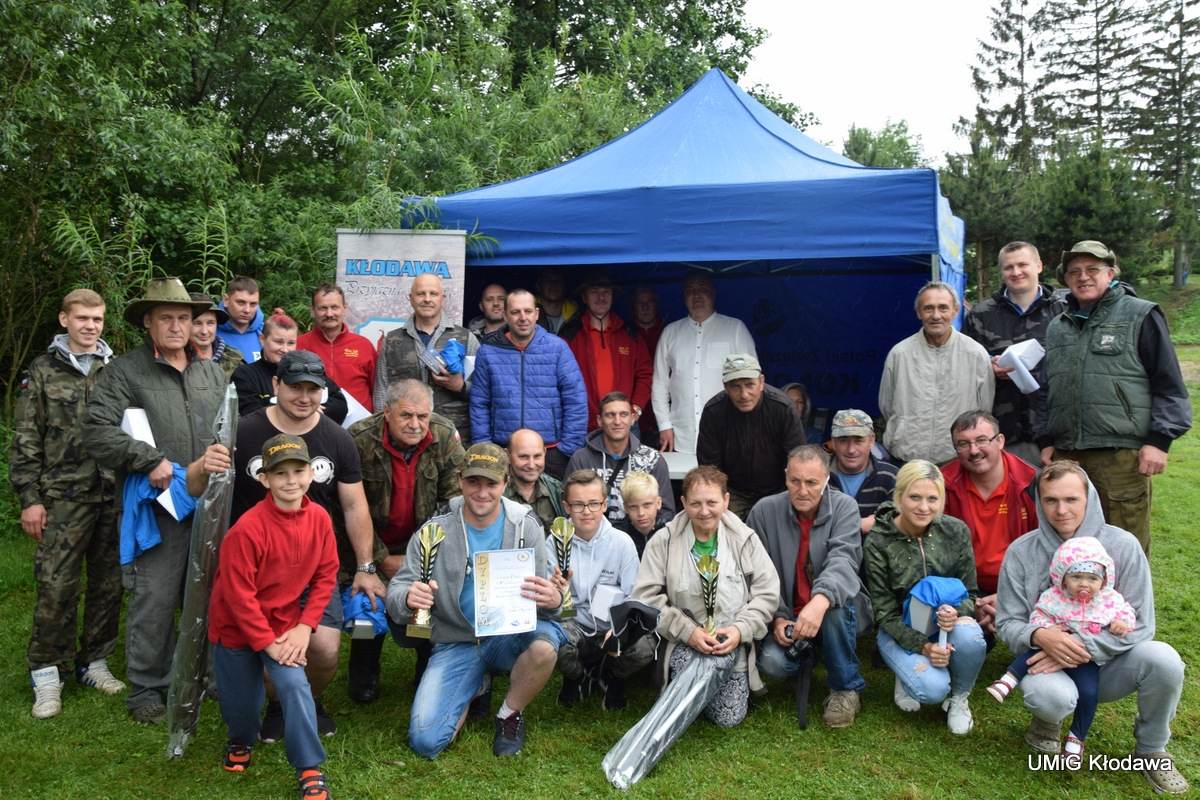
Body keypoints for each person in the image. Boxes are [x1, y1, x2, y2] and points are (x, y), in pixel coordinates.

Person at [82, 277, 231, 723]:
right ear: (148, 322)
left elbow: (227, 429)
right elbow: (96, 429)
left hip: (209, 504)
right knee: (157, 597)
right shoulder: (126, 372)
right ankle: (148, 687)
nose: (176, 325)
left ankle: (206, 677)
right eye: (165, 317)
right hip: (159, 504)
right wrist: (148, 459)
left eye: (183, 318)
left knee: (210, 593)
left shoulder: (211, 372)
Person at [995, 461, 1188, 793]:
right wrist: (1039, 635)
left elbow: (1142, 624)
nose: (1061, 510)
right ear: (1038, 501)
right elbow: (1006, 622)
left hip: (1110, 664)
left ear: (1090, 498)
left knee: (1165, 660)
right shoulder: (1021, 551)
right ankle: (1046, 723)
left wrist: (1076, 647)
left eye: (1071, 499)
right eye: (1050, 500)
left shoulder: (1124, 546)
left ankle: (1152, 750)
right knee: (1050, 696)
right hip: (1048, 665)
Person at [224, 349, 383, 739]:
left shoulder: (337, 438)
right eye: (295, 387)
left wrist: (365, 567)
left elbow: (353, 504)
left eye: (314, 389)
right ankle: (279, 706)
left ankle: (308, 699)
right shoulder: (243, 432)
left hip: (316, 567)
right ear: (276, 385)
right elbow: (205, 492)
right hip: (258, 567)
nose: (304, 396)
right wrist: (201, 466)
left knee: (326, 650)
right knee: (269, 650)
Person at [386, 444, 567, 758]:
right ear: (460, 480)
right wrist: (407, 597)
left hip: (510, 635)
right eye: (473, 482)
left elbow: (549, 595)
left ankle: (509, 713)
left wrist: (554, 599)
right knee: (426, 742)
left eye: (491, 483)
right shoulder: (433, 531)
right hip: (457, 640)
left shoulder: (527, 525)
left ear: (505, 482)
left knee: (544, 647)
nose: (482, 491)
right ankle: (475, 683)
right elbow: (397, 591)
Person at [1037, 240, 1191, 553]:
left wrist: (1159, 441)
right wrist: (1046, 439)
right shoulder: (1057, 327)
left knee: (1123, 546)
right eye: (1074, 271)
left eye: (1093, 269)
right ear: (1065, 280)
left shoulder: (1140, 315)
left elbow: (1168, 383)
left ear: (1111, 273)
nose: (1083, 277)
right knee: (1070, 547)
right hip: (1068, 455)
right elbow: (1046, 388)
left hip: (1120, 456)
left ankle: (1129, 604)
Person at [12, 289, 124, 719]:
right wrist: (29, 499)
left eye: (97, 319)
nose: (90, 326)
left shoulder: (115, 370)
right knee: (56, 586)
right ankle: (46, 673)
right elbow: (26, 438)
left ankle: (93, 661)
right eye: (82, 318)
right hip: (61, 496)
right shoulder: (42, 371)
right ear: (64, 319)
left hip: (110, 493)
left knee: (108, 584)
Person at [208, 434, 337, 800]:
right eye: (280, 474)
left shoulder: (319, 519)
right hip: (235, 627)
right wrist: (265, 643)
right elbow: (238, 595)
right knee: (242, 706)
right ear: (264, 479)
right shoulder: (247, 529)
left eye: (299, 471)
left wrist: (304, 626)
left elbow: (326, 575)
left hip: (284, 624)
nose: (291, 481)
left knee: (296, 687)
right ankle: (240, 739)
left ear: (312, 474)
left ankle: (309, 765)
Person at [632, 465, 779, 728]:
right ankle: (685, 693)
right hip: (683, 642)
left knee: (728, 718)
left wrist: (739, 630)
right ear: (683, 503)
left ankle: (689, 698)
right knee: (694, 688)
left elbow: (767, 594)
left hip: (732, 641)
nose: (704, 511)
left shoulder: (746, 539)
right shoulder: (663, 541)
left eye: (712, 502)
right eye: (695, 503)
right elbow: (646, 597)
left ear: (726, 501)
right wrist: (688, 632)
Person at [347, 379, 465, 702]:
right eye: (406, 416)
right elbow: (347, 507)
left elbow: (454, 503)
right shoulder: (358, 439)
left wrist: (419, 556)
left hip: (425, 547)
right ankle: (364, 669)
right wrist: (378, 559)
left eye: (422, 417)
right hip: (371, 548)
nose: (415, 425)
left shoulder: (444, 436)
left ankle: (426, 669)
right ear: (387, 412)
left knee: (429, 599)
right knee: (365, 603)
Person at [863, 460, 986, 735]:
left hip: (947, 622)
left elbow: (972, 594)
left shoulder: (955, 531)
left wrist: (957, 612)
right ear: (899, 497)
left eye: (933, 499)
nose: (923, 507)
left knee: (972, 637)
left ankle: (959, 699)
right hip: (900, 629)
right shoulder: (878, 541)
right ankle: (907, 676)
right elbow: (884, 613)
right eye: (914, 497)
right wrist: (923, 646)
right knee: (931, 690)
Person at [751, 446, 867, 729]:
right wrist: (777, 615)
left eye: (812, 482)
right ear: (786, 478)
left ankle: (844, 689)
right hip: (787, 612)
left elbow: (844, 560)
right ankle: (808, 656)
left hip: (834, 608)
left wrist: (820, 601)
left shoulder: (845, 507)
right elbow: (756, 573)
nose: (802, 490)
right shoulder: (763, 511)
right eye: (795, 481)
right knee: (774, 664)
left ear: (826, 479)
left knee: (835, 609)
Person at [988, 536, 1136, 757]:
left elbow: (1127, 613)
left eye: (1092, 578)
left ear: (1104, 580)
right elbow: (1039, 615)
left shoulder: (1110, 600)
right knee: (1030, 654)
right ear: (1063, 578)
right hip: (1051, 646)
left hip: (1085, 658)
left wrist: (1121, 624)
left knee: (1089, 692)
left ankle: (1077, 738)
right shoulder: (1054, 597)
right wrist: (1047, 631)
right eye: (1076, 577)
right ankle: (1007, 681)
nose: (1084, 584)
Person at [551, 470, 651, 711]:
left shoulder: (621, 542)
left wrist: (620, 629)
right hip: (573, 621)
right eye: (578, 504)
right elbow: (552, 605)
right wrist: (559, 593)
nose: (586, 511)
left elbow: (633, 595)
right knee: (554, 642)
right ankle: (577, 676)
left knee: (645, 647)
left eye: (594, 503)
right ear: (566, 506)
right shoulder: (554, 542)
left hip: (611, 623)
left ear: (605, 505)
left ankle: (612, 675)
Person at [962, 242, 1066, 464]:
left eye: (1022, 264)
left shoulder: (1064, 312)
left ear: (1039, 266)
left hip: (1056, 431)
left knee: (1056, 497)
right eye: (1009, 267)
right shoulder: (981, 315)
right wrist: (988, 367)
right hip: (1001, 433)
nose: (1016, 272)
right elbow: (965, 368)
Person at [469, 288, 588, 479]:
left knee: (551, 507)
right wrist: (485, 447)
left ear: (537, 314)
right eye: (515, 312)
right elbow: (479, 403)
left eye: (528, 311)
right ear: (506, 315)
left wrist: (567, 448)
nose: (522, 317)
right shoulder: (488, 351)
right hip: (503, 452)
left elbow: (576, 399)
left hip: (550, 452)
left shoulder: (557, 347)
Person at [940, 410, 1036, 635]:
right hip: (963, 588)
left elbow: (1046, 553)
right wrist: (973, 602)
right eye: (963, 444)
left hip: (1022, 587)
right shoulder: (942, 485)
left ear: (1000, 441)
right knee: (966, 643)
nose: (974, 451)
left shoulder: (1031, 482)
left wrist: (1007, 598)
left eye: (982, 440)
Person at [879, 281, 994, 465]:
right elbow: (887, 406)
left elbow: (984, 409)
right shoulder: (900, 354)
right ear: (918, 312)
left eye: (943, 308)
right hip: (905, 459)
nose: (936, 315)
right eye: (928, 308)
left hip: (957, 460)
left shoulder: (975, 354)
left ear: (955, 311)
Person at [652, 274, 756, 454]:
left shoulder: (735, 328)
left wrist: (745, 424)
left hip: (727, 431)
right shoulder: (671, 332)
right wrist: (664, 425)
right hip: (680, 434)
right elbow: (660, 383)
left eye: (703, 290)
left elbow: (751, 380)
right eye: (691, 291)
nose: (697, 296)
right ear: (684, 298)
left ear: (713, 294)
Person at [696, 354, 806, 518]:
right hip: (732, 491)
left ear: (761, 382)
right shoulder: (714, 411)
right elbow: (709, 468)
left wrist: (786, 496)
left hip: (777, 490)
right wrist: (720, 500)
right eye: (735, 387)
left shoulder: (782, 408)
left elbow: (798, 459)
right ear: (725, 386)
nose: (744, 394)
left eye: (750, 385)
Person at [372, 273, 479, 439]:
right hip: (404, 437)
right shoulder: (392, 341)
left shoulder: (466, 338)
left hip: (452, 438)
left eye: (433, 294)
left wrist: (460, 386)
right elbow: (381, 393)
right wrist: (383, 433)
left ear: (442, 298)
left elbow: (483, 393)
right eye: (421, 293)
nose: (427, 299)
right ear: (411, 298)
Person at [565, 392, 674, 525]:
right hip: (594, 537)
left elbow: (666, 512)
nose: (617, 421)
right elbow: (569, 509)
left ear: (633, 418)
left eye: (623, 414)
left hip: (639, 539)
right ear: (599, 420)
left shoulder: (652, 459)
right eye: (610, 415)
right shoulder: (581, 459)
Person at [561, 273, 652, 431]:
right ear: (584, 297)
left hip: (624, 423)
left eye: (606, 292)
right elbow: (559, 379)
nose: (601, 297)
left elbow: (645, 373)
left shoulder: (630, 333)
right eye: (594, 292)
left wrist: (636, 408)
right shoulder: (570, 334)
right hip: (584, 424)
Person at [232, 310, 349, 424]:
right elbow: (250, 413)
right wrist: (298, 413)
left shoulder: (307, 369)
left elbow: (340, 406)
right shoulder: (245, 374)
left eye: (291, 343)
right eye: (278, 342)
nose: (284, 349)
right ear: (262, 340)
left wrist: (312, 412)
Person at [297, 283, 378, 413]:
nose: (329, 314)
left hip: (359, 427)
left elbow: (377, 390)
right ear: (313, 310)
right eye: (323, 308)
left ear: (344, 309)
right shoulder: (299, 346)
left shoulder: (364, 346)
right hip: (312, 422)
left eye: (334, 307)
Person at [825, 409, 898, 535]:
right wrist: (858, 525)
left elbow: (903, 522)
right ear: (834, 442)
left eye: (858, 440)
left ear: (871, 441)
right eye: (843, 440)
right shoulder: (817, 476)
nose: (851, 449)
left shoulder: (892, 477)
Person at [503, 428, 566, 532]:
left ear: (545, 453)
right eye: (523, 457)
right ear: (508, 455)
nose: (531, 465)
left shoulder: (557, 491)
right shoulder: (496, 492)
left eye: (537, 456)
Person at [629, 286, 665, 443]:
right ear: (633, 306)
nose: (645, 307)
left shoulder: (669, 332)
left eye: (649, 302)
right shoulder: (625, 334)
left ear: (657, 305)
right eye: (640, 303)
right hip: (634, 420)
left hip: (664, 421)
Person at [613, 471, 671, 558]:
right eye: (633, 507)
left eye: (647, 505)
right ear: (625, 508)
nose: (641, 513)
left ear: (658, 503)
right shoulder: (618, 537)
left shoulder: (671, 531)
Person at [188, 292, 244, 380]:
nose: (204, 331)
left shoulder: (234, 359)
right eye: (197, 323)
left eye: (210, 323)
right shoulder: (174, 360)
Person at [217, 275, 264, 362]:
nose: (247, 310)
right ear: (226, 300)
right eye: (241, 303)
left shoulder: (265, 333)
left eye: (253, 304)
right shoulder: (209, 333)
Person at [535, 268, 577, 334]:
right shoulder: (526, 313)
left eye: (558, 280)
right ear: (539, 285)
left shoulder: (577, 315)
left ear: (565, 286)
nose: (553, 284)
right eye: (548, 280)